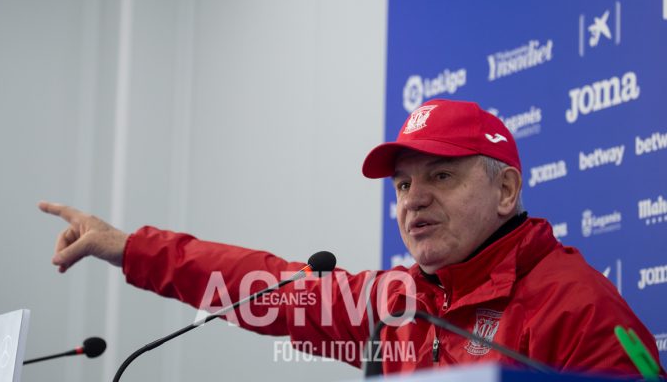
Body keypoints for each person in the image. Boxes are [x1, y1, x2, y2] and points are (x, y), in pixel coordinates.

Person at [40, 98, 664, 376]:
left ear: (505, 191)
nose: (413, 198)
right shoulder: (393, 306)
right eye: (401, 186)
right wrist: (128, 247)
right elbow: (260, 286)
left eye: (440, 175)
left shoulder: (580, 309)